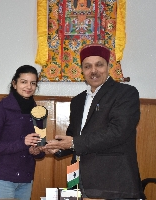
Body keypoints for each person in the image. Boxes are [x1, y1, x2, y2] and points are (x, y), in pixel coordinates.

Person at [44, 44, 145, 200]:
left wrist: (72, 143)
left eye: (99, 65)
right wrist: (57, 148)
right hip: (76, 178)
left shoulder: (125, 93)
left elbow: (118, 131)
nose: (94, 71)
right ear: (82, 71)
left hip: (110, 181)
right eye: (88, 66)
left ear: (107, 66)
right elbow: (74, 136)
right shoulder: (77, 101)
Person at [0, 65, 45, 200]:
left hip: (26, 180)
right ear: (14, 83)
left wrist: (37, 151)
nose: (28, 87)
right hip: (2, 180)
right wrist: (23, 143)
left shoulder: (38, 112)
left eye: (33, 83)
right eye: (24, 82)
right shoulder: (1, 107)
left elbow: (40, 148)